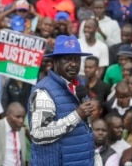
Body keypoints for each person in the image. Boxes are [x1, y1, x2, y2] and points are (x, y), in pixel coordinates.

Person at [28, 35, 95, 166]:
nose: (74, 64)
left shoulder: (79, 86)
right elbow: (38, 133)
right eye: (67, 59)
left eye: (76, 59)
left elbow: (86, 130)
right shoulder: (44, 92)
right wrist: (76, 116)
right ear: (55, 62)